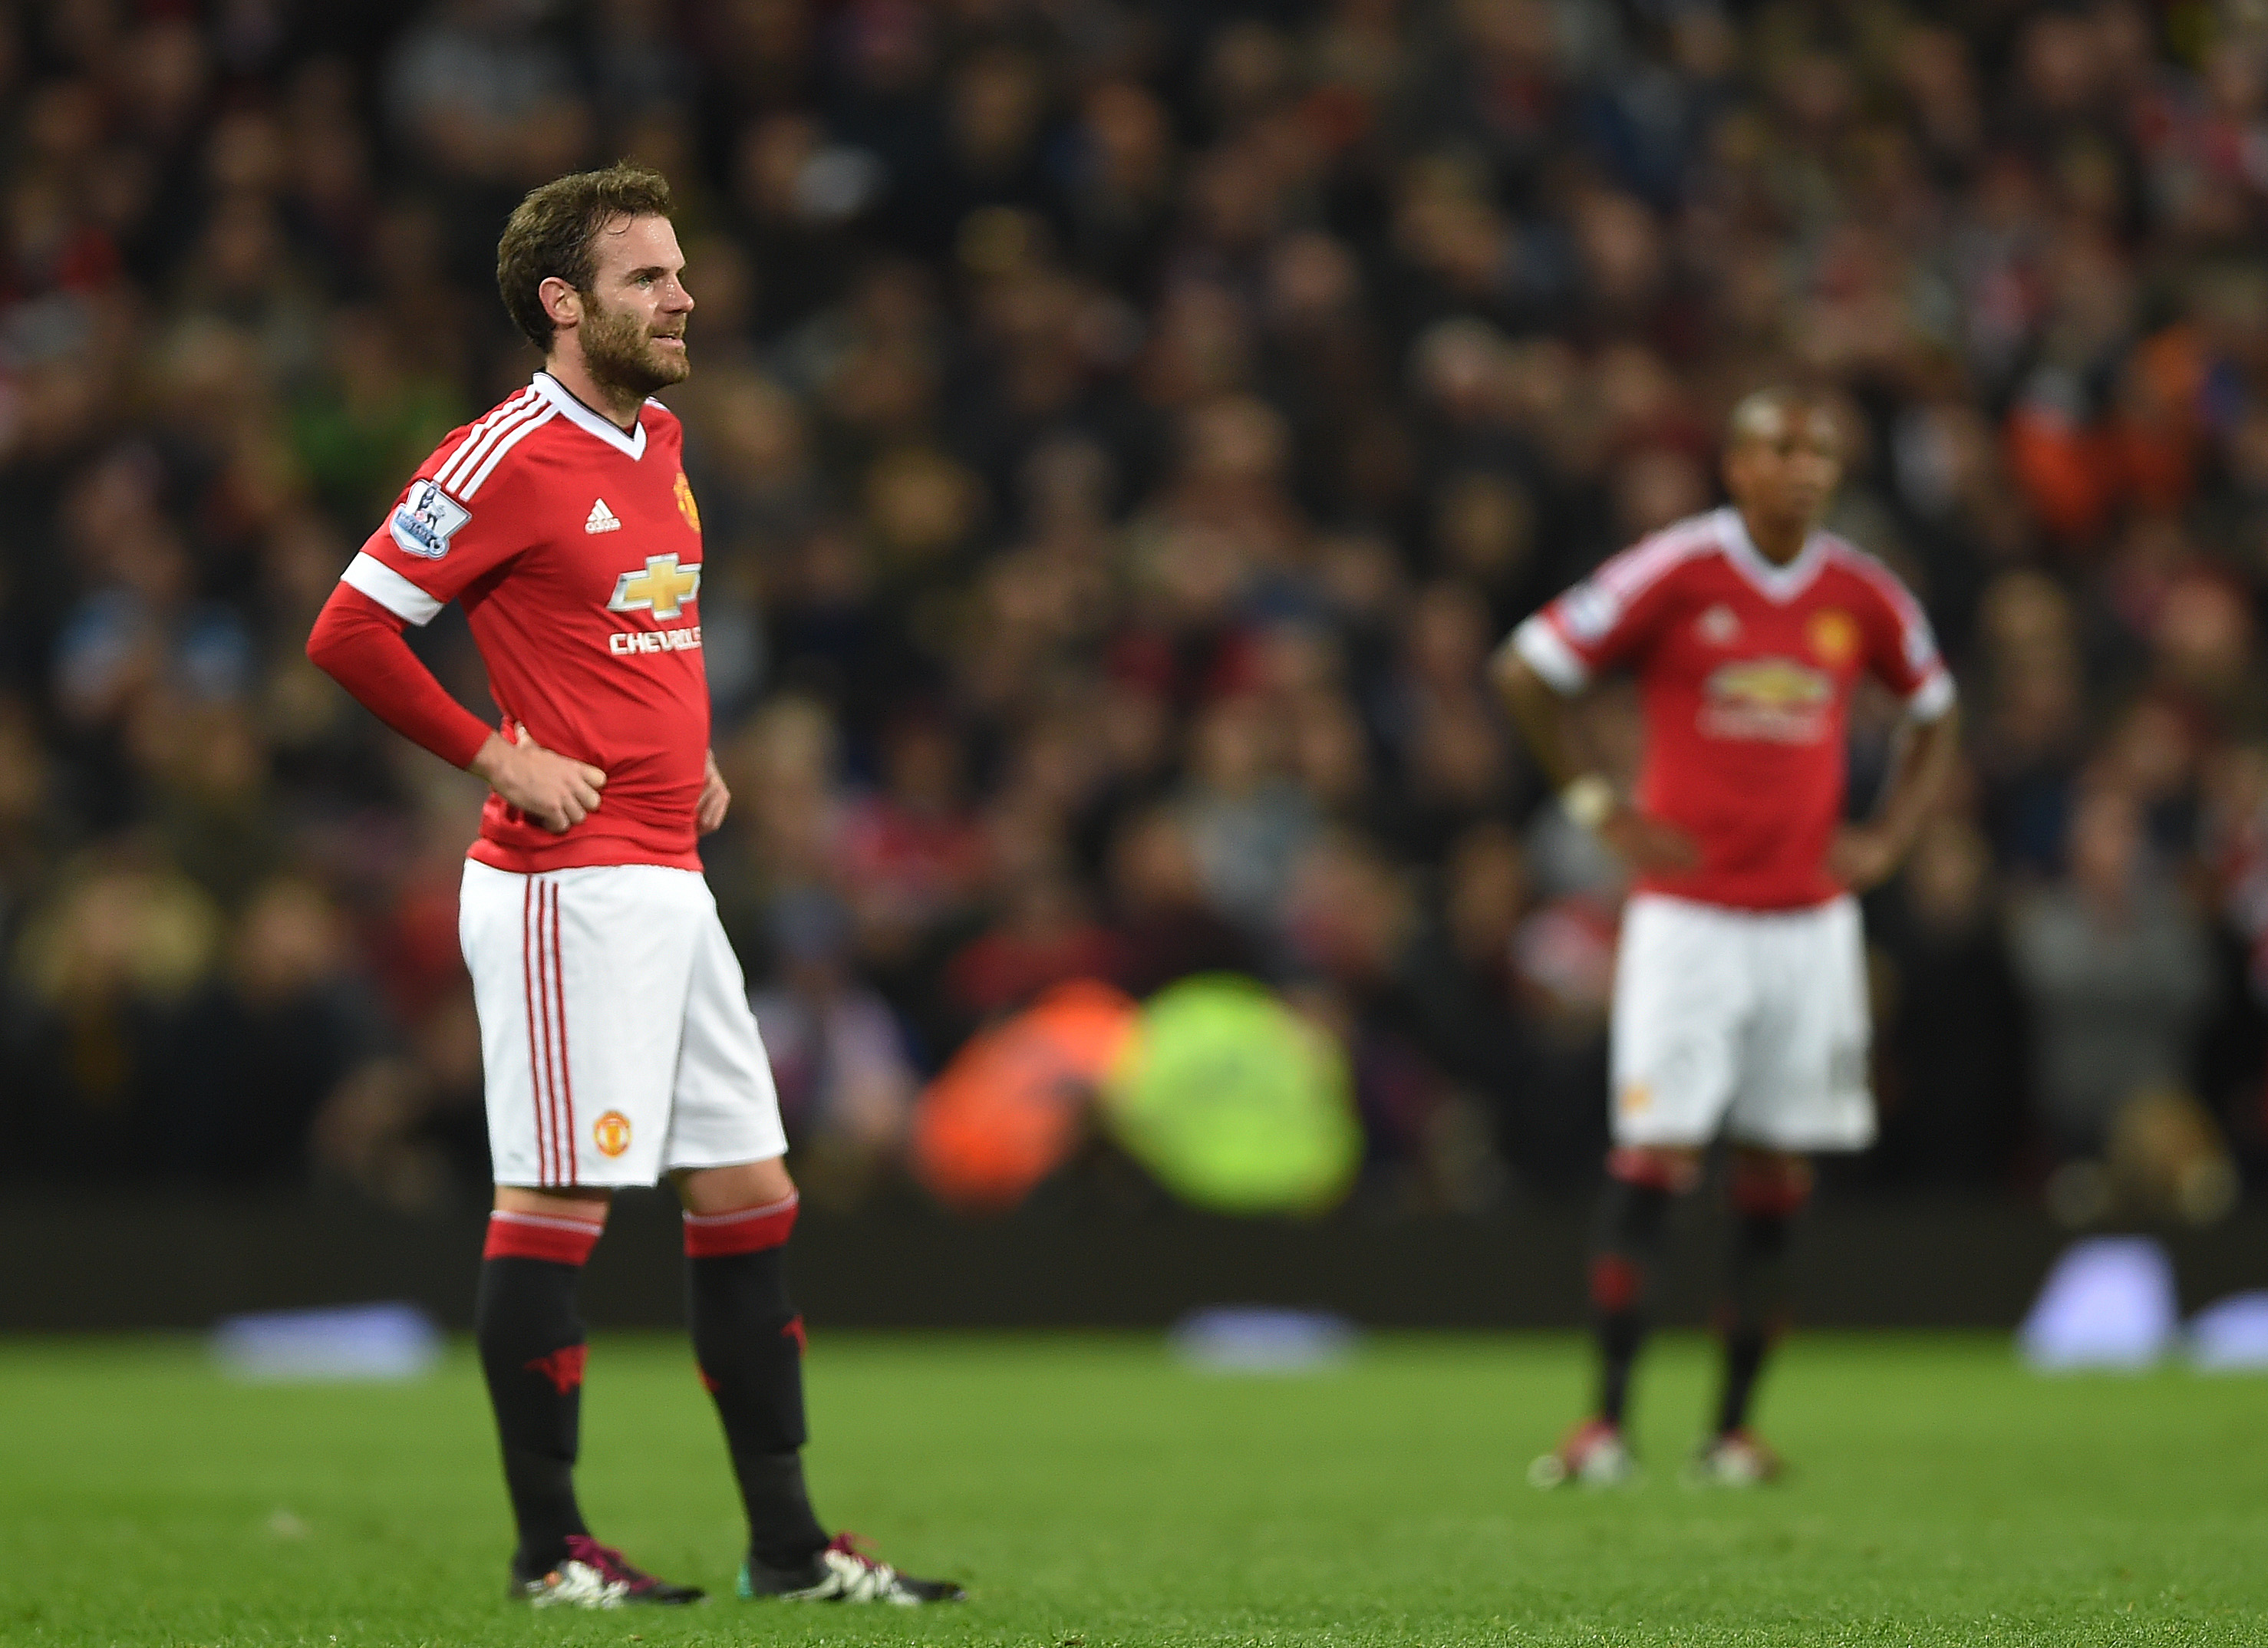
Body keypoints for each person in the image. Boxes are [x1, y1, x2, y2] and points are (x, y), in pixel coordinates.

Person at [306, 164, 962, 1608]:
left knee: (750, 1191)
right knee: (556, 1204)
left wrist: (696, 750)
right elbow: (350, 631)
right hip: (565, 887)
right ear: (564, 304)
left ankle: (789, 1552)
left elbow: (643, 618)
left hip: (670, 869)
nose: (683, 297)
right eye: (648, 278)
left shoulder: (656, 435)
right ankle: (552, 1556)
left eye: (680, 271)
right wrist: (494, 753)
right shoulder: (497, 457)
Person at [1495, 389, 1960, 1487]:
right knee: (1655, 1156)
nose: (1803, 468)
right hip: (1690, 919)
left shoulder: (1863, 592)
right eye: (1781, 448)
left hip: (1808, 925)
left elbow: (1936, 710)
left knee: (1775, 1168)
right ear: (1735, 463)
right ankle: (1604, 1426)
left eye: (1822, 451)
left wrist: (1888, 835)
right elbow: (1528, 669)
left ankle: (1734, 1433)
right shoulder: (1675, 570)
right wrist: (1599, 808)